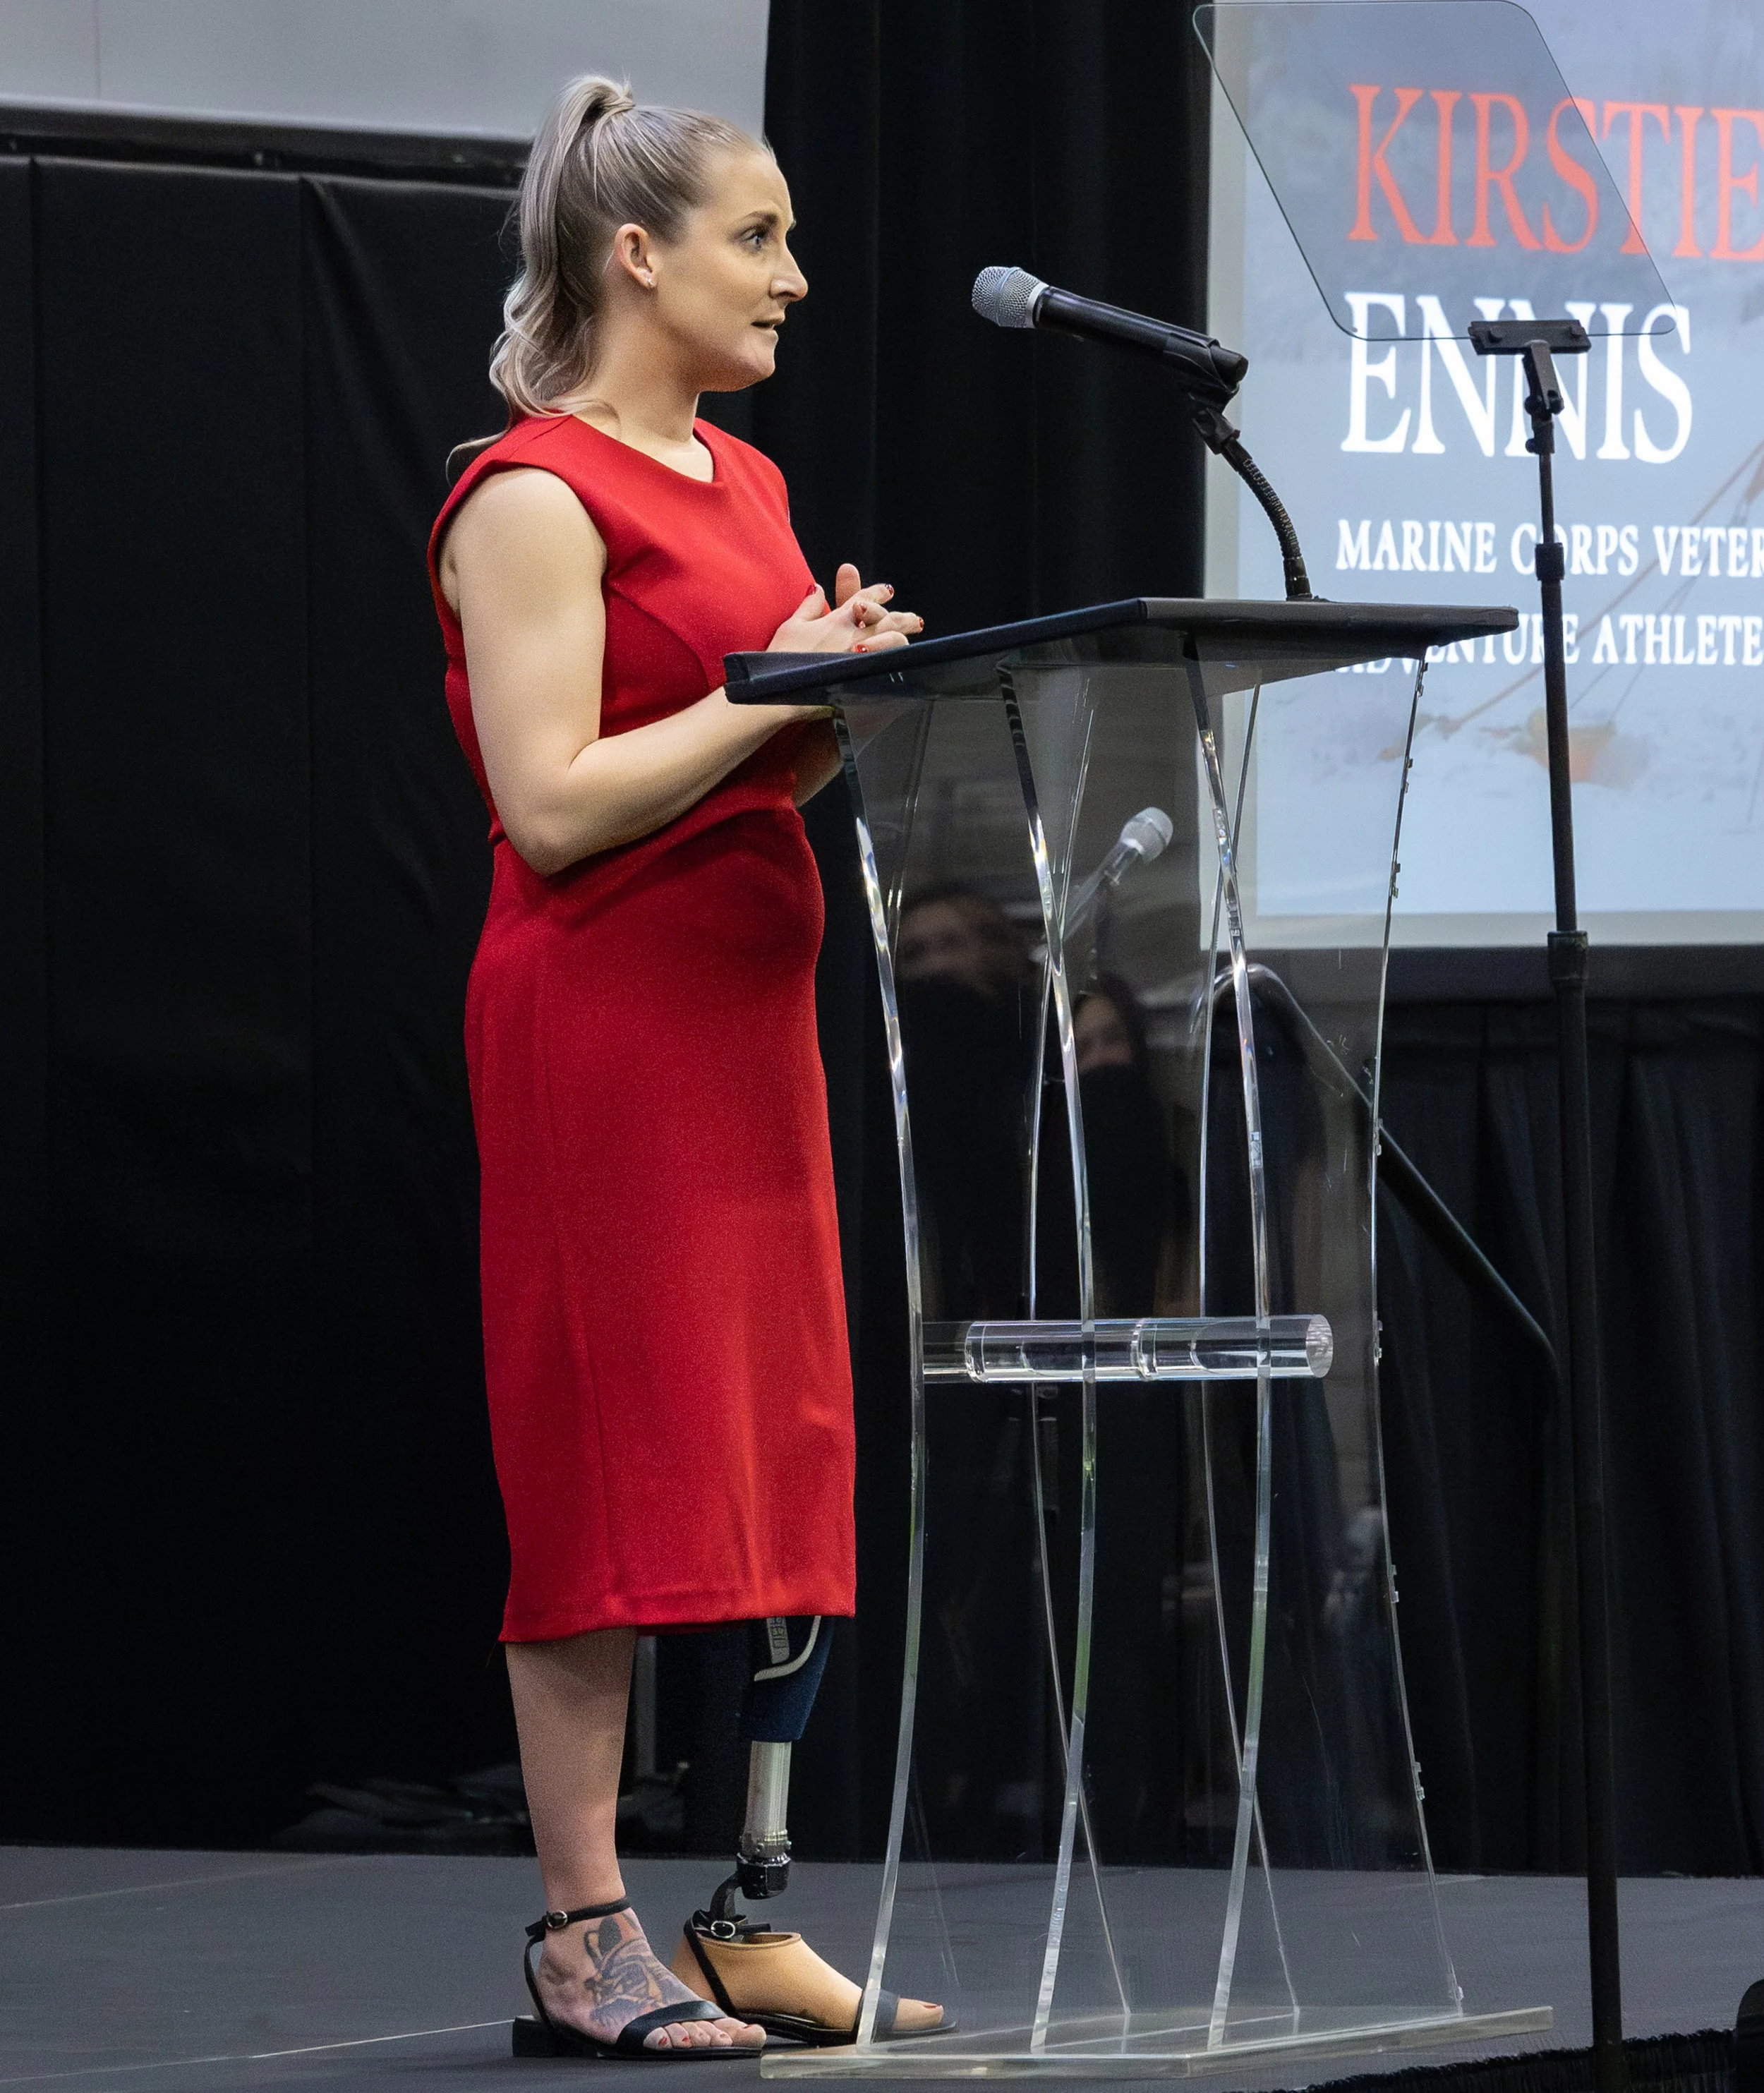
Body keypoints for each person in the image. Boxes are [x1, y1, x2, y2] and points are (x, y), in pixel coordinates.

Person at [428, 76, 938, 2059]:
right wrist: (768, 697)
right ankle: (582, 1929)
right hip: (602, 1026)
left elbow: (742, 761)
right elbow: (553, 805)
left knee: (769, 1437)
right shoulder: (532, 491)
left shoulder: (745, 481)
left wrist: (830, 700)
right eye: (758, 238)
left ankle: (748, 1908)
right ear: (632, 254)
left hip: (744, 1016)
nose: (794, 277)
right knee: (610, 1465)